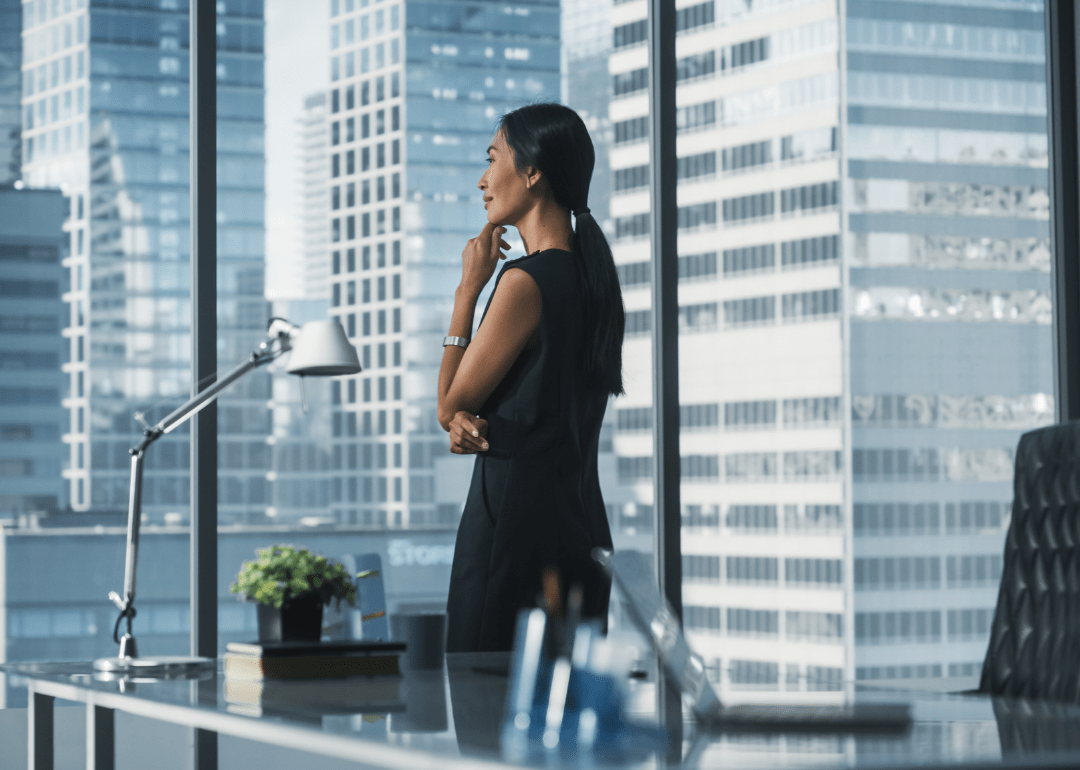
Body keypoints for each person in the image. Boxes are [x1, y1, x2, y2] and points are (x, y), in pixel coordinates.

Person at [437, 103, 625, 652]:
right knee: (563, 720)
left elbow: (450, 404)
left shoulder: (525, 283)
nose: (483, 178)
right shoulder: (595, 284)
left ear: (533, 171)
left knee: (483, 711)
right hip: (581, 530)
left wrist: (467, 291)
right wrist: (466, 419)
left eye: (493, 158)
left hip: (512, 536)